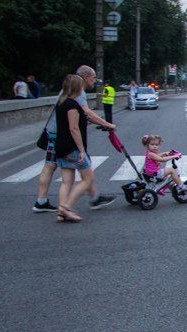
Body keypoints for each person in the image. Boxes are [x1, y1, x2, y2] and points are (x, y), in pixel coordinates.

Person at [32, 65, 116, 213]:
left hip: (53, 133)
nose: (95, 80)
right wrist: (107, 124)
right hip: (64, 137)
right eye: (94, 77)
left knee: (50, 166)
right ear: (86, 77)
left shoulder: (66, 91)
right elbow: (86, 114)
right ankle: (86, 201)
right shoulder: (78, 93)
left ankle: (42, 201)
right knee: (84, 168)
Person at [54, 74, 91, 222]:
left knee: (66, 181)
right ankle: (66, 208)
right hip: (72, 148)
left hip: (61, 147)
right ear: (78, 88)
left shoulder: (61, 103)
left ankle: (61, 213)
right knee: (88, 179)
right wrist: (81, 150)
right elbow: (74, 128)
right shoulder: (72, 105)